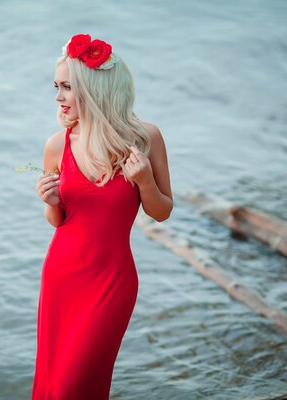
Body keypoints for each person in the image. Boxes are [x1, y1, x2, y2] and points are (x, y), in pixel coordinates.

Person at [32, 33, 173, 399]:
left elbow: (162, 211)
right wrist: (50, 201)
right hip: (61, 278)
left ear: (95, 90)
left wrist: (143, 181)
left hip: (111, 282)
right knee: (57, 383)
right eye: (56, 86)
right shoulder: (56, 145)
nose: (58, 97)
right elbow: (59, 221)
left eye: (67, 87)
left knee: (75, 385)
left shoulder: (146, 139)